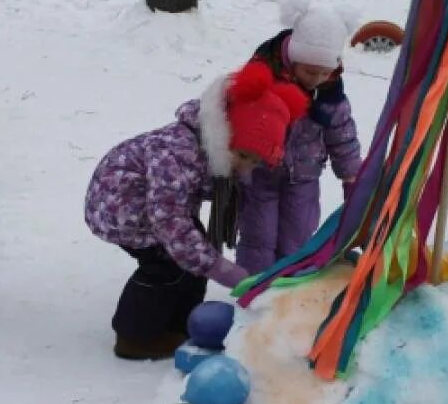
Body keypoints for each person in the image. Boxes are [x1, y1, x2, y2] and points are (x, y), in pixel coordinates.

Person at [85, 61, 309, 360]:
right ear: (223, 137)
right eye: (243, 155)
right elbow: (170, 223)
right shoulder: (177, 152)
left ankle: (182, 323)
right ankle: (134, 337)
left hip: (155, 208)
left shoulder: (206, 148)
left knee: (194, 255)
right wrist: (220, 268)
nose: (246, 166)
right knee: (166, 266)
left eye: (255, 161)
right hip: (121, 210)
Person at [236, 0, 362, 274]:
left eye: (325, 72)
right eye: (310, 71)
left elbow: (342, 135)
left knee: (297, 235)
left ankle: (289, 289)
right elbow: (239, 118)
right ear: (293, 58)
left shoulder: (331, 93)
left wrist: (351, 175)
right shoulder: (263, 74)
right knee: (259, 235)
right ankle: (253, 292)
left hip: (304, 176)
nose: (317, 79)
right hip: (260, 175)